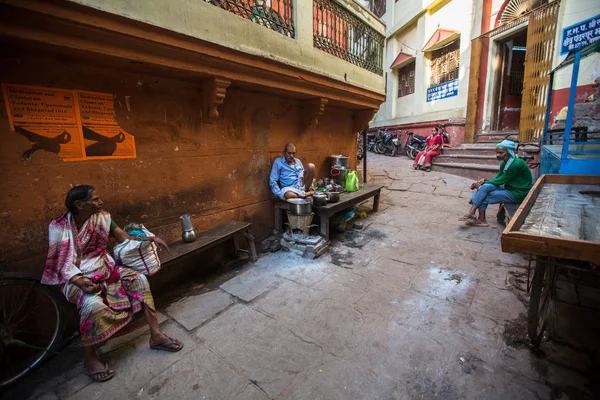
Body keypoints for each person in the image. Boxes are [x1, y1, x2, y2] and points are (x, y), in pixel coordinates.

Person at [41, 185, 183, 383]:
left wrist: (149, 238)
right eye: (96, 199)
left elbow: (124, 237)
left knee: (139, 280)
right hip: (73, 276)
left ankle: (156, 335)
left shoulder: (103, 217)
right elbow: (59, 262)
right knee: (91, 305)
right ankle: (89, 358)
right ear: (79, 204)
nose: (101, 202)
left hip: (105, 267)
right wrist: (80, 281)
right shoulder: (58, 227)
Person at [460, 140, 532, 227]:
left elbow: (501, 181)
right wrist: (484, 183)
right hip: (509, 187)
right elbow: (498, 179)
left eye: (501, 152)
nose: (498, 155)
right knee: (485, 187)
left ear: (509, 152)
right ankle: (472, 213)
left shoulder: (516, 164)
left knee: (483, 195)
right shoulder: (505, 164)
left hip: (518, 193)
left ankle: (481, 220)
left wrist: (484, 181)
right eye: (497, 152)